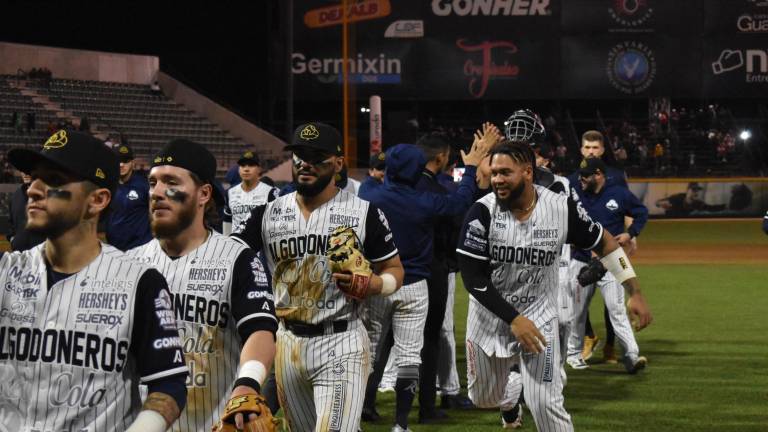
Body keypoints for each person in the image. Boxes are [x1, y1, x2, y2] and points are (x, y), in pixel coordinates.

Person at [456, 141, 652, 431]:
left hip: (539, 318)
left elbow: (607, 243)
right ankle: (510, 397)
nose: (496, 179)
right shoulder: (481, 213)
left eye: (504, 172)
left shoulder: (561, 210)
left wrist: (633, 290)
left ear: (527, 172)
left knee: (547, 403)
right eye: (494, 172)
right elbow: (473, 278)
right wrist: (513, 319)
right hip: (490, 319)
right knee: (484, 397)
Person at [2, 130, 188, 432]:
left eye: (54, 180)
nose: (34, 189)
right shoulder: (6, 272)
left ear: (97, 199)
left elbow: (169, 383)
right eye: (34, 177)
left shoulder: (140, 282)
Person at [234, 122, 404, 432]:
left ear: (338, 163)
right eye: (299, 155)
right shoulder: (268, 213)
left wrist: (374, 284)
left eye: (316, 156)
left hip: (342, 339)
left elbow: (395, 271)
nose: (305, 164)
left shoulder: (364, 212)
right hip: (286, 341)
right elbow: (229, 258)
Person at [126, 139, 278, 432]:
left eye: (171, 182)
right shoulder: (128, 263)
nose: (157, 193)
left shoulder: (237, 259)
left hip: (216, 422)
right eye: (152, 182)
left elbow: (260, 330)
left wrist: (247, 384)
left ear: (204, 193)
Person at [359, 136, 490, 431]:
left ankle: (359, 409)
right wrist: (470, 168)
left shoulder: (370, 198)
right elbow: (460, 201)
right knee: (409, 354)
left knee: (369, 349)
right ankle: (401, 422)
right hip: (417, 285)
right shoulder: (425, 201)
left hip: (380, 282)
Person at [566, 157, 650, 374]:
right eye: (580, 175)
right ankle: (574, 356)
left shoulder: (618, 194)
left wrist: (630, 233)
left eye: (586, 175)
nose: (581, 179)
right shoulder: (574, 190)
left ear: (599, 175)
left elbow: (641, 212)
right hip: (580, 260)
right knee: (576, 312)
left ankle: (631, 356)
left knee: (617, 310)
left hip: (611, 261)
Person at [105, 144, 152, 250]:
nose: (121, 164)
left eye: (126, 161)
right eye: (118, 161)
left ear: (133, 163)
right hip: (113, 247)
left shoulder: (144, 185)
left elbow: (154, 214)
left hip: (139, 247)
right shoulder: (108, 184)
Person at [223, 150, 279, 235]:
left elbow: (277, 223)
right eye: (242, 165)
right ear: (238, 169)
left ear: (259, 169)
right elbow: (227, 220)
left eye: (251, 165)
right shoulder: (230, 193)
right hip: (236, 246)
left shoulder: (270, 192)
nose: (246, 169)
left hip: (260, 246)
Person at [7, 171, 46, 250]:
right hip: (19, 253)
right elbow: (11, 223)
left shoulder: (47, 193)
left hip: (40, 255)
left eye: (27, 170)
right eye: (22, 171)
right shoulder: (15, 195)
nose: (25, 174)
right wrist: (13, 239)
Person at [655, 182, 726, 217]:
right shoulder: (677, 198)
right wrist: (661, 204)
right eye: (693, 190)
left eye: (697, 190)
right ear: (687, 190)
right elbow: (657, 202)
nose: (695, 193)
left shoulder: (697, 203)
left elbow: (711, 208)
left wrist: (724, 206)